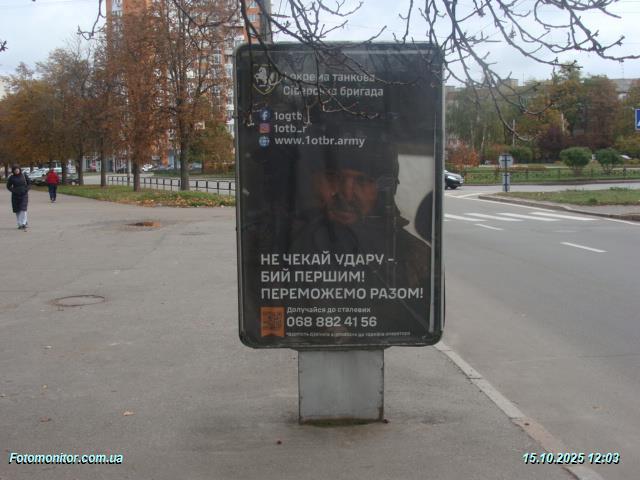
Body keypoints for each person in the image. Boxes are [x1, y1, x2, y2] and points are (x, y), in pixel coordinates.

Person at [6, 165, 31, 230]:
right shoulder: (11, 177)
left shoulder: (24, 175)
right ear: (13, 171)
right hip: (15, 195)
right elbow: (8, 186)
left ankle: (23, 223)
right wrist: (13, 190)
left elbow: (29, 184)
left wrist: (26, 189)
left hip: (24, 195)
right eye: (15, 170)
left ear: (19, 169)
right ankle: (19, 224)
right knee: (17, 210)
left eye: (17, 169)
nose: (16, 171)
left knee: (23, 209)